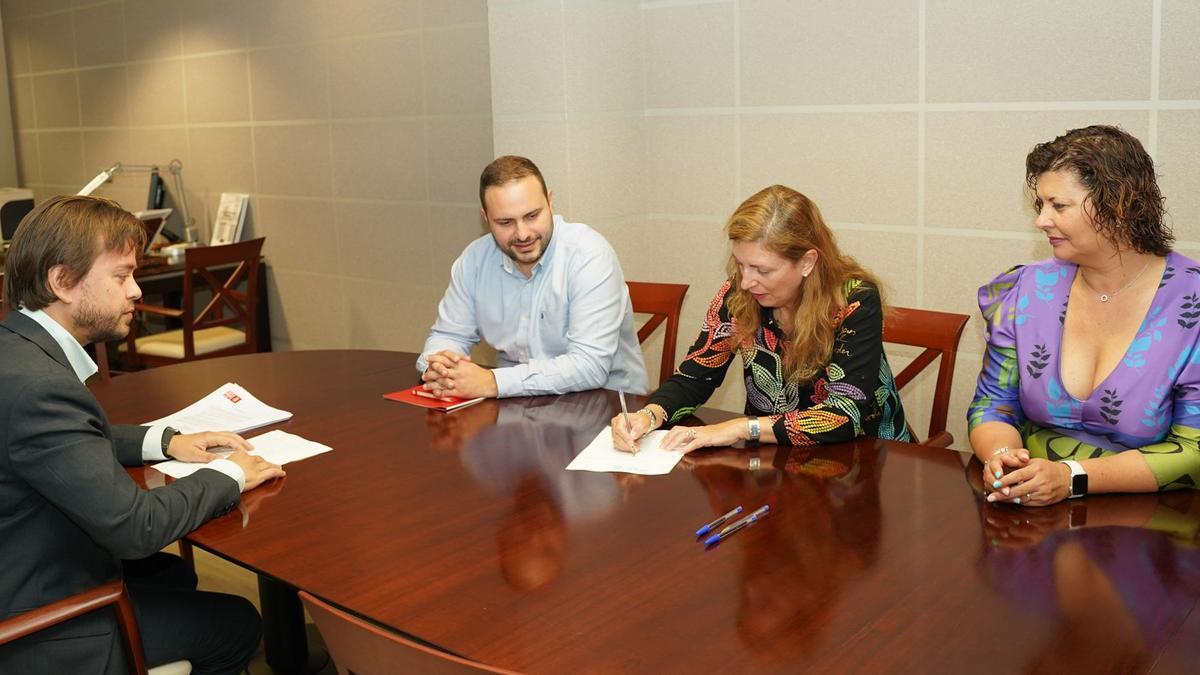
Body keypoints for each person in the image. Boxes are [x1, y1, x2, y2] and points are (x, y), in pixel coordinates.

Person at [0, 196, 286, 674]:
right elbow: (137, 529)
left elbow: (61, 439)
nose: (135, 291)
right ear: (62, 282)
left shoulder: (15, 350)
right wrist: (230, 475)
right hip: (37, 627)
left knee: (173, 575)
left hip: (20, 565)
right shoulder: (41, 389)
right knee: (237, 623)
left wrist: (164, 441)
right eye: (121, 276)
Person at [970, 124, 1200, 508]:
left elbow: (1194, 449)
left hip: (1149, 517)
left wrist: (1071, 477)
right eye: (1041, 205)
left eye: (1058, 206)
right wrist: (1003, 458)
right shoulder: (1028, 290)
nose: (1042, 220)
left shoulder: (1191, 301)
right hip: (1030, 505)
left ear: (1119, 205)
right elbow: (994, 405)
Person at [611, 184, 909, 453]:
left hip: (861, 460)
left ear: (807, 262)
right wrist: (648, 416)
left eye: (762, 270)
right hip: (772, 459)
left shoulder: (854, 301)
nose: (746, 282)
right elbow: (696, 376)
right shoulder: (738, 296)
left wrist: (741, 428)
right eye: (741, 265)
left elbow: (844, 415)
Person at [418, 155, 648, 399]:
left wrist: (492, 382)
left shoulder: (588, 255)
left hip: (609, 407)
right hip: (517, 404)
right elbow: (448, 335)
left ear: (550, 201)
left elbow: (590, 366)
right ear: (486, 219)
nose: (522, 234)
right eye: (505, 222)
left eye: (532, 216)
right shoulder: (475, 259)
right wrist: (440, 368)